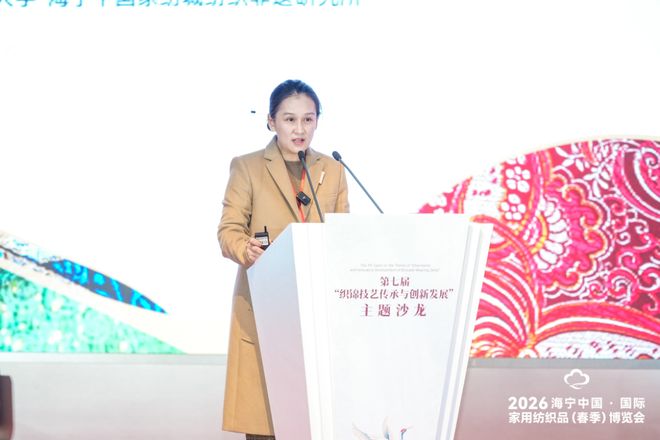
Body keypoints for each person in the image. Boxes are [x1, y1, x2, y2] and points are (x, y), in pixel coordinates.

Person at [217, 79, 350, 439]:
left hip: (316, 315)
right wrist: (245, 248)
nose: (300, 129)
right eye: (290, 119)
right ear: (271, 121)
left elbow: (343, 235)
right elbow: (228, 231)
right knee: (266, 426)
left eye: (308, 119)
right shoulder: (247, 167)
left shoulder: (333, 170)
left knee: (314, 422)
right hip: (267, 308)